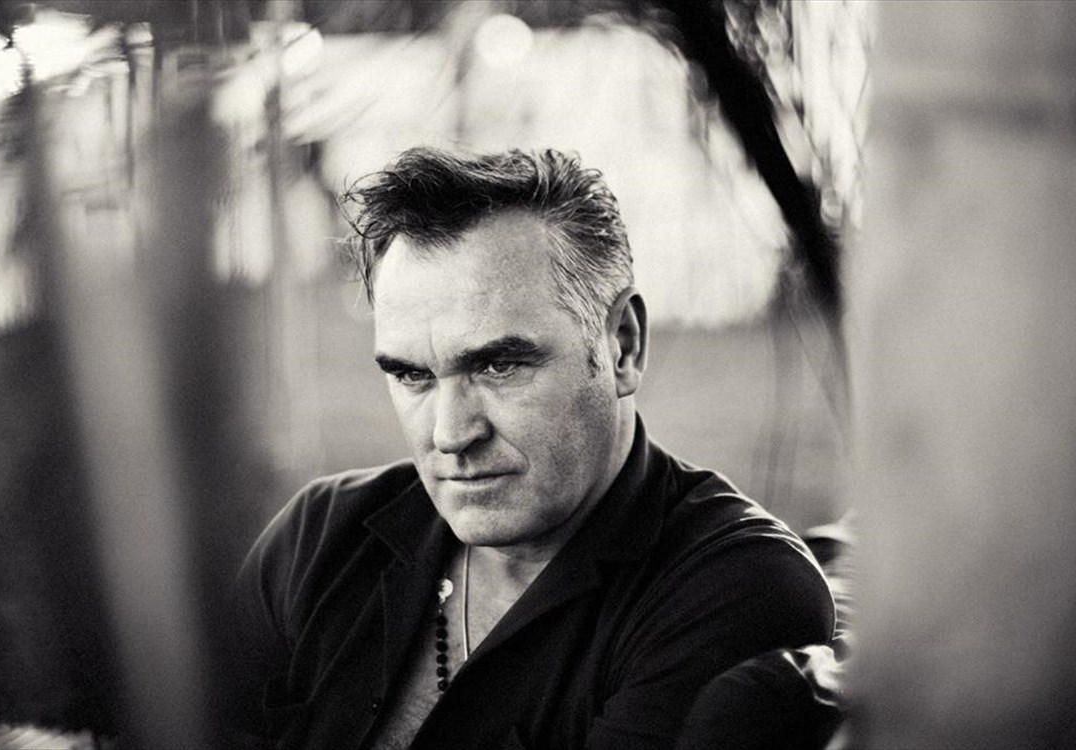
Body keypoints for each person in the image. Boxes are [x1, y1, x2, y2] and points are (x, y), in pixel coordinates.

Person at [228, 147, 835, 749]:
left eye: (498, 365)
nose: (450, 434)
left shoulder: (735, 590)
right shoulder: (320, 537)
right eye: (413, 375)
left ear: (622, 346)